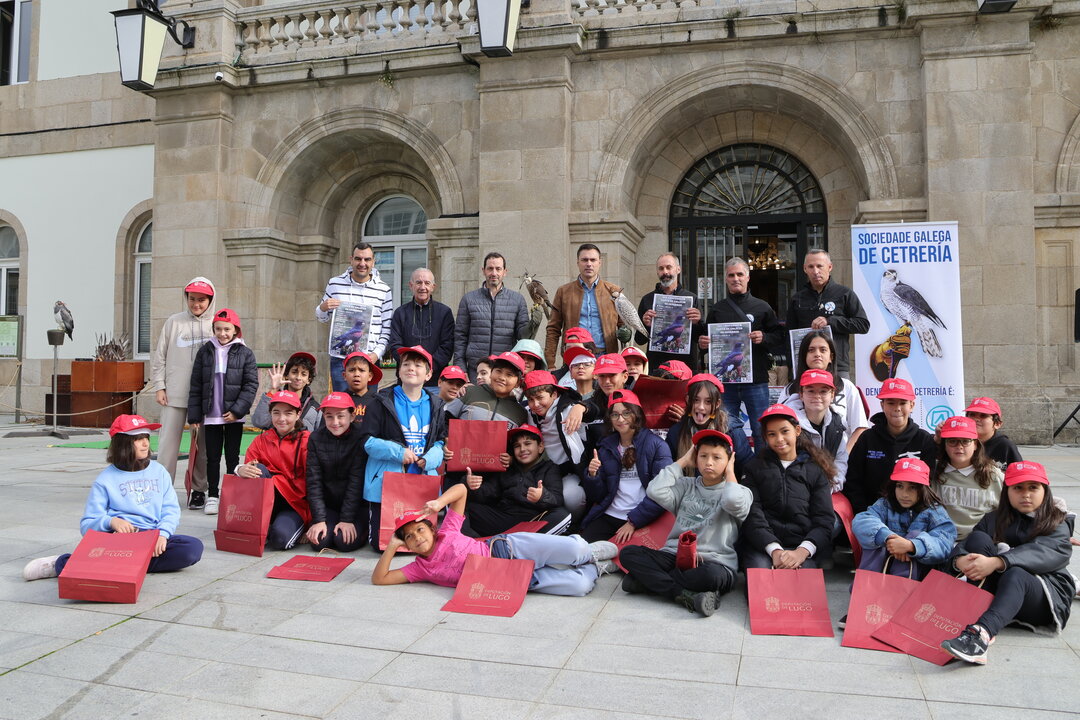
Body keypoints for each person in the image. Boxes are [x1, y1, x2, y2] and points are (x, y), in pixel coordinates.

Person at [23, 415, 203, 582]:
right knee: (115, 553)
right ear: (122, 444)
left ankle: (112, 565)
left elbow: (170, 510)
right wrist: (111, 522)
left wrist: (163, 535)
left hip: (151, 539)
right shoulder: (105, 479)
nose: (145, 443)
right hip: (119, 542)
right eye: (137, 439)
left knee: (191, 549)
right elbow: (88, 524)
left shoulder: (159, 471)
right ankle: (61, 563)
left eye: (146, 437)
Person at [371, 483, 619, 596]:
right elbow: (380, 579)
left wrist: (439, 503)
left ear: (431, 529)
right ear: (407, 545)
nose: (417, 537)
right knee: (579, 587)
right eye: (409, 537)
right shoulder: (420, 569)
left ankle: (589, 553)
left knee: (576, 549)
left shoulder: (448, 530)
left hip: (508, 548)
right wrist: (393, 545)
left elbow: (461, 490)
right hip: (503, 579)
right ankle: (594, 568)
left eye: (420, 530)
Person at [941, 461, 1075, 665]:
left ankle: (981, 636)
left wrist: (998, 561)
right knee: (979, 540)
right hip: (1002, 588)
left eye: (1033, 487)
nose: (1026, 494)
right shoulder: (994, 518)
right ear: (1007, 491)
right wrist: (959, 561)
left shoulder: (1057, 521)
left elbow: (1043, 552)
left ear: (1045, 491)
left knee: (1016, 574)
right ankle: (977, 611)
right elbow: (971, 543)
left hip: (1043, 596)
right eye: (1018, 488)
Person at [620, 430, 751, 617]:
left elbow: (732, 501)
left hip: (714, 562)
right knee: (628, 554)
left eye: (717, 457)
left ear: (729, 460)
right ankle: (682, 594)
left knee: (710, 577)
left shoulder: (741, 492)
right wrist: (682, 462)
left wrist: (730, 471)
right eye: (703, 456)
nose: (709, 462)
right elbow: (655, 490)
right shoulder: (686, 485)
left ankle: (646, 582)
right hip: (675, 557)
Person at [362, 346, 446, 547]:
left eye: (418, 365)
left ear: (429, 374)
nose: (411, 368)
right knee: (381, 543)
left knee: (424, 543)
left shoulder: (436, 404)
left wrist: (429, 459)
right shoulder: (380, 401)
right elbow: (367, 441)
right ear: (399, 371)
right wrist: (399, 453)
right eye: (406, 364)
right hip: (387, 480)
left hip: (421, 480)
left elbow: (440, 442)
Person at [702, 258, 785, 460]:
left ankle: (764, 469)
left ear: (748, 277)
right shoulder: (717, 309)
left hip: (756, 379)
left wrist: (764, 337)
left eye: (740, 274)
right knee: (725, 427)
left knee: (761, 429)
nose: (735, 278)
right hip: (725, 382)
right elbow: (706, 339)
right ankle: (734, 467)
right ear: (726, 279)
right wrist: (702, 343)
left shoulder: (762, 307)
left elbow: (779, 337)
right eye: (731, 275)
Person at [738, 404, 836, 570]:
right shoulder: (753, 468)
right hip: (763, 547)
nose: (780, 439)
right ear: (765, 438)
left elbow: (824, 518)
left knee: (803, 591)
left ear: (797, 431)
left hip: (800, 546)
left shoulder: (815, 470)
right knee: (762, 583)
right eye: (772, 434)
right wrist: (774, 549)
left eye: (785, 431)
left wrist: (802, 551)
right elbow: (752, 515)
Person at [150, 277, 215, 509]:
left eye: (201, 300)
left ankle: (199, 490)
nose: (196, 304)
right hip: (174, 393)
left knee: (203, 447)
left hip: (206, 398)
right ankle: (163, 490)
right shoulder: (173, 322)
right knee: (168, 445)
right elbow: (160, 356)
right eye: (192, 298)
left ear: (210, 300)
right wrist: (159, 385)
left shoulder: (216, 325)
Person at [187, 308, 259, 516]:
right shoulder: (205, 351)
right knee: (212, 456)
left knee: (232, 456)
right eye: (218, 329)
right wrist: (194, 416)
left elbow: (250, 385)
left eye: (227, 329)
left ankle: (231, 493)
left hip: (234, 417)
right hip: (211, 415)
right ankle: (212, 495)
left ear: (236, 329)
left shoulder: (245, 353)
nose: (222, 333)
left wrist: (237, 411)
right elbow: (196, 384)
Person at [581, 389, 673, 543]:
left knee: (622, 560)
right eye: (615, 414)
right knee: (581, 548)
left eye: (626, 413)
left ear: (636, 414)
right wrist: (592, 475)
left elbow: (663, 492)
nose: (620, 419)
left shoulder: (657, 446)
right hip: (610, 514)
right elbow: (598, 495)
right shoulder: (606, 447)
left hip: (641, 517)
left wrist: (633, 522)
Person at [844, 377, 937, 513]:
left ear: (912, 405)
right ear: (882, 405)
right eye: (891, 403)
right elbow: (853, 481)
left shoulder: (924, 440)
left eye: (903, 403)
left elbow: (928, 485)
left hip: (913, 515)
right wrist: (864, 512)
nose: (897, 408)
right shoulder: (867, 438)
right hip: (871, 514)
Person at [852, 457, 956, 578]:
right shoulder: (885, 504)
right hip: (883, 572)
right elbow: (861, 520)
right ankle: (866, 588)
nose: (904, 494)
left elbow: (944, 544)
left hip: (919, 579)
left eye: (912, 487)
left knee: (915, 535)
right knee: (874, 537)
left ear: (923, 489)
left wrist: (912, 546)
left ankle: (899, 590)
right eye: (900, 486)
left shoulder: (935, 511)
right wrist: (888, 538)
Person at [234, 390, 311, 550]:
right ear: (270, 414)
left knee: (279, 540)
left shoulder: (308, 441)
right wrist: (240, 469)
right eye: (276, 413)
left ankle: (285, 526)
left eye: (288, 413)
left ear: (298, 414)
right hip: (265, 504)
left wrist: (312, 521)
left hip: (294, 505)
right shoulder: (262, 439)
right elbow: (249, 470)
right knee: (257, 469)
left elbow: (316, 484)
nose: (282, 419)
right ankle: (261, 523)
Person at [462, 425, 571, 536]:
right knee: (463, 507)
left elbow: (557, 499)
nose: (522, 449)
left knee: (562, 515)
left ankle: (514, 543)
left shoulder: (549, 468)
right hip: (503, 519)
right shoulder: (507, 468)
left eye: (527, 444)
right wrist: (471, 485)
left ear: (540, 447)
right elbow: (487, 494)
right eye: (517, 446)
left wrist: (542, 496)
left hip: (532, 522)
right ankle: (488, 545)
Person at [316, 242, 393, 391]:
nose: (362, 264)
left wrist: (376, 354)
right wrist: (323, 307)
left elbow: (387, 328)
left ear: (373, 261)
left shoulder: (384, 290)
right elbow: (321, 317)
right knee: (342, 407)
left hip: (369, 358)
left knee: (368, 409)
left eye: (367, 259)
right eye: (358, 259)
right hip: (341, 359)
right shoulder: (335, 284)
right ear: (351, 259)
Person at [781, 330, 870, 452]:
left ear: (831, 357)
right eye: (811, 350)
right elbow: (781, 427)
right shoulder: (790, 390)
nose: (817, 354)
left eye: (823, 350)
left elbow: (860, 428)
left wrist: (844, 458)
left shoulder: (847, 387)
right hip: (801, 462)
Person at [785, 249, 870, 378]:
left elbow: (863, 325)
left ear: (830, 267)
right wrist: (791, 365)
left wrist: (831, 321)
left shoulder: (844, 294)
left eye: (820, 266)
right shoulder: (797, 298)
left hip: (837, 366)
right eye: (811, 267)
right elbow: (788, 334)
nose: (815, 271)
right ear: (804, 269)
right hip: (805, 366)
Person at [523, 370, 593, 525]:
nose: (536, 404)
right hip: (542, 471)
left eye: (540, 398)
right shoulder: (528, 412)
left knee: (573, 497)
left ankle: (572, 526)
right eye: (530, 399)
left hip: (568, 470)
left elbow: (596, 411)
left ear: (554, 394)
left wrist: (582, 407)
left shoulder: (569, 409)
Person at [305, 392, 368, 551]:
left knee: (344, 542)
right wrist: (319, 519)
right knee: (320, 541)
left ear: (352, 416)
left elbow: (356, 481)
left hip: (357, 506)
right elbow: (314, 482)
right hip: (330, 505)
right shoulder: (315, 438)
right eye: (329, 416)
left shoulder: (360, 438)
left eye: (341, 416)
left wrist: (347, 519)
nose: (335, 422)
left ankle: (366, 529)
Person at [545, 244, 626, 367]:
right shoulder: (564, 291)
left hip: (605, 356)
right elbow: (553, 329)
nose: (589, 264)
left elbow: (623, 326)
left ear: (600, 262)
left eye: (593, 260)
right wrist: (550, 364)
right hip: (574, 355)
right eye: (584, 260)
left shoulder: (614, 291)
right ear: (578, 262)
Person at [454, 252, 529, 380]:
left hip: (505, 369)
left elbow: (523, 337)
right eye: (490, 268)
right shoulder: (468, 299)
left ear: (505, 271)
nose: (494, 273)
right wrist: (460, 367)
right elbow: (460, 336)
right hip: (476, 371)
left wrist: (532, 326)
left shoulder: (517, 300)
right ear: (483, 271)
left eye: (498, 269)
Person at [930, 416, 1004, 542]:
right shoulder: (933, 472)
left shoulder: (993, 475)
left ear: (975, 444)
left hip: (979, 539)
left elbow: (1007, 510)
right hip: (940, 538)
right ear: (945, 445)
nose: (959, 446)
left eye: (965, 441)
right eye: (952, 441)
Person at [635, 252, 706, 374]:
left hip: (685, 366)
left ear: (678, 269)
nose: (665, 272)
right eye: (661, 268)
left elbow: (699, 339)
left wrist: (697, 322)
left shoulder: (691, 299)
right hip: (657, 367)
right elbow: (639, 340)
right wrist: (645, 324)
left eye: (669, 267)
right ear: (657, 272)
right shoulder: (647, 299)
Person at [388, 267, 455, 386]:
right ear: (411, 285)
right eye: (418, 282)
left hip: (435, 381)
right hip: (406, 380)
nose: (422, 287)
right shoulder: (400, 313)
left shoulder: (444, 313)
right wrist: (412, 367)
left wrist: (427, 368)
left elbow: (447, 346)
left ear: (433, 287)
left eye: (427, 283)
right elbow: (395, 345)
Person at [787, 369, 849, 490]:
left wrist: (827, 490)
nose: (817, 396)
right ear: (801, 394)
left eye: (823, 391)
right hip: (794, 491)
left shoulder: (837, 424)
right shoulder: (788, 424)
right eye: (810, 391)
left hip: (827, 490)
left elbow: (840, 463)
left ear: (832, 395)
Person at [444, 351, 529, 429]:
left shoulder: (520, 413)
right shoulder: (468, 392)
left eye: (509, 374)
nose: (502, 377)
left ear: (518, 383)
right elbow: (444, 420)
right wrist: (447, 439)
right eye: (498, 371)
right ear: (491, 373)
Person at [665, 373, 728, 471]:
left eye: (708, 402)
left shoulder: (731, 430)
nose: (701, 407)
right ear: (688, 400)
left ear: (717, 404)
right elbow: (666, 473)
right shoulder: (676, 432)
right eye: (696, 400)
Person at [251, 351, 321, 432]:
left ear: (309, 379)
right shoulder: (275, 399)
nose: (298, 377)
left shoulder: (315, 408)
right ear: (286, 375)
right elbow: (259, 422)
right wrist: (274, 389)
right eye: (294, 372)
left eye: (303, 374)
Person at [964, 397, 1022, 470]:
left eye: (983, 415)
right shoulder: (958, 442)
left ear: (997, 424)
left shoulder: (1005, 446)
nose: (976, 419)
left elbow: (1019, 473)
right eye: (972, 414)